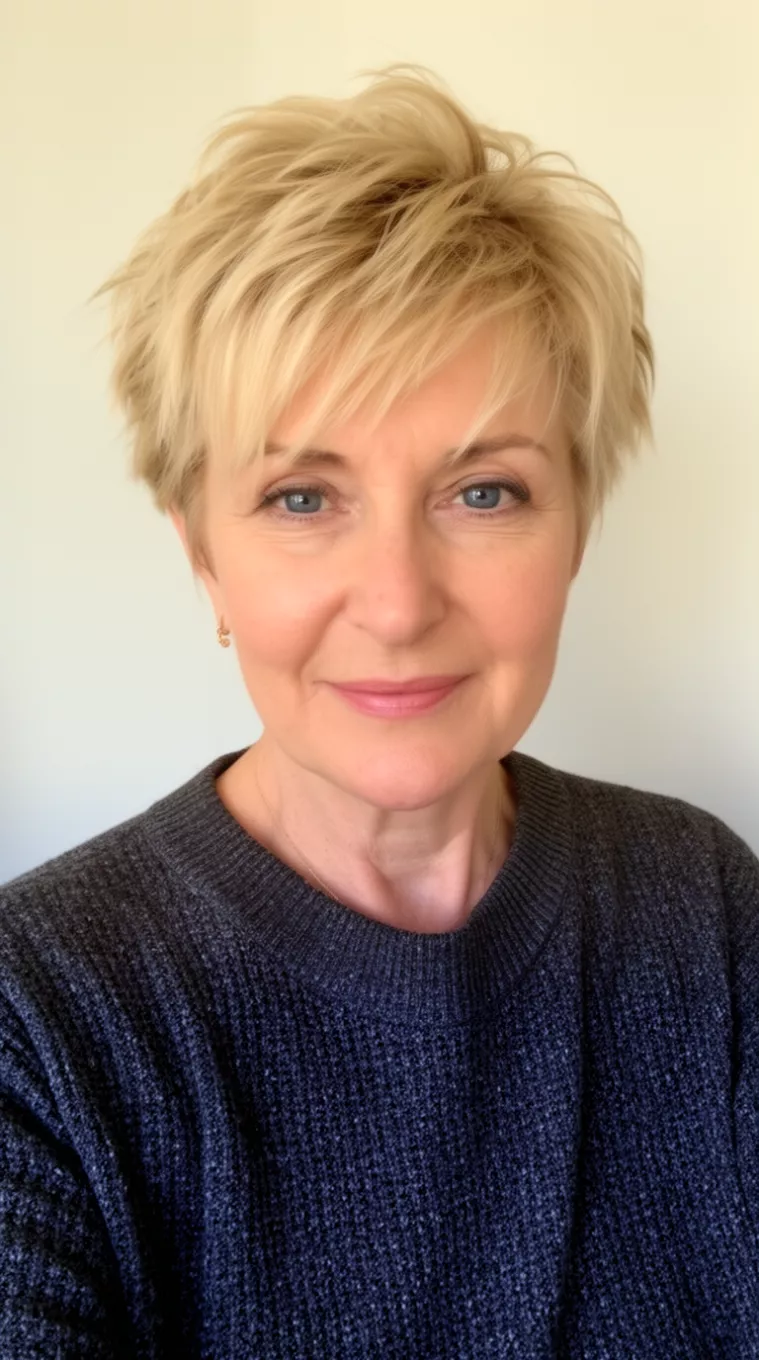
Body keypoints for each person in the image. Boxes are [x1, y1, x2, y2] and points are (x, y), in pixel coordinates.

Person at [1, 63, 758, 1360]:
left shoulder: (702, 907)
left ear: (574, 526)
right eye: (303, 497)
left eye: (484, 493)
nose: (399, 603)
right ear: (201, 550)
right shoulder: (43, 1017)